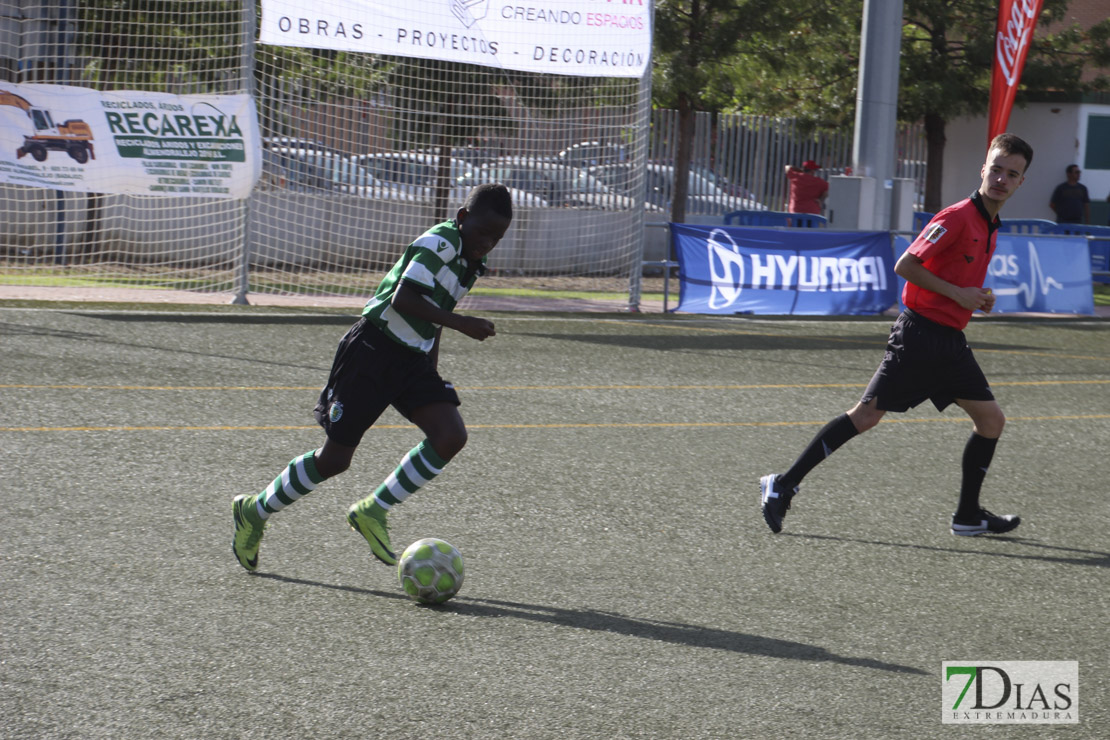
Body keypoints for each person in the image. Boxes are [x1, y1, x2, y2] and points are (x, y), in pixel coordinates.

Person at [759, 133, 1035, 537]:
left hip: (950, 342)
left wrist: (974, 298)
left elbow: (955, 276)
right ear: (983, 169)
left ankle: (967, 515)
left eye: (1012, 174)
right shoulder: (956, 216)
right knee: (866, 416)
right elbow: (906, 265)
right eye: (996, 169)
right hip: (920, 336)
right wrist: (960, 294)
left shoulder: (990, 223)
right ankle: (782, 484)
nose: (1001, 179)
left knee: (991, 420)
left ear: (1020, 182)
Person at [232, 183, 514, 571]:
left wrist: (430, 365)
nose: (488, 243)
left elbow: (435, 310)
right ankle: (255, 510)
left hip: (412, 358)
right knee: (335, 460)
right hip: (373, 350)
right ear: (463, 218)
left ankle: (373, 509)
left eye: (497, 238)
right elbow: (405, 299)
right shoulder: (439, 244)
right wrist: (462, 322)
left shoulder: (471, 261)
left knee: (450, 436)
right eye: (483, 232)